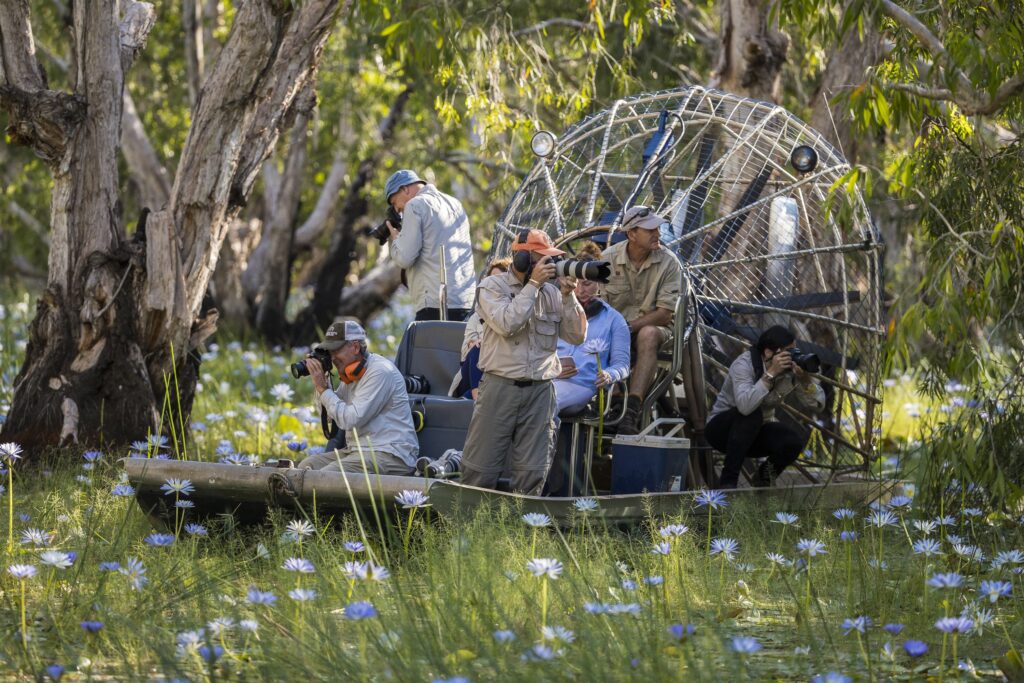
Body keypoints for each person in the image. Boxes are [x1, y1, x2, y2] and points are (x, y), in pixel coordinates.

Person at [460, 229, 587, 495]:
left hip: (541, 392)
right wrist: (532, 287)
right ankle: (470, 531)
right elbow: (507, 324)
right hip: (499, 388)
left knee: (533, 472)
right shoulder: (492, 287)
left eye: (549, 259)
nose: (548, 265)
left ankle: (521, 531)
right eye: (541, 259)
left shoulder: (552, 293)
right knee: (480, 471)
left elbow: (577, 335)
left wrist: (567, 296)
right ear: (521, 258)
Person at [705, 325, 826, 489]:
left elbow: (818, 405)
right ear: (769, 352)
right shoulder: (744, 364)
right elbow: (745, 407)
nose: (792, 356)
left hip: (755, 433)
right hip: (722, 431)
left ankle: (763, 482)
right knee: (752, 416)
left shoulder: (788, 371)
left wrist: (805, 380)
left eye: (794, 351)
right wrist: (770, 375)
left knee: (792, 441)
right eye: (788, 352)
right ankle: (728, 484)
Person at [298, 319, 419, 474]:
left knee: (327, 475)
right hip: (357, 451)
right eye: (329, 352)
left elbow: (350, 420)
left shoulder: (380, 371)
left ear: (355, 347)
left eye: (336, 350)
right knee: (307, 466)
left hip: (390, 454)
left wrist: (324, 391)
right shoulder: (350, 374)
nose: (332, 357)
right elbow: (331, 417)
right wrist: (322, 384)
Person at [599, 205, 682, 434]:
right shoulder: (607, 259)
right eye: (649, 230)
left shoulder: (669, 262)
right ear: (632, 234)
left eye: (657, 228)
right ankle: (614, 404)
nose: (657, 233)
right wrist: (618, 329)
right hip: (616, 329)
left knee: (647, 334)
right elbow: (598, 306)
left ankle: (632, 410)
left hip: (656, 329)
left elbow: (665, 313)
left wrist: (627, 327)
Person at [385, 169, 476, 321]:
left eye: (394, 202)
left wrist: (396, 241)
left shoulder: (414, 205)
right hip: (467, 304)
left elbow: (405, 258)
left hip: (436, 304)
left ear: (405, 189)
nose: (396, 210)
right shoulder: (455, 204)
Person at [553, 254, 631, 415]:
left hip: (582, 385)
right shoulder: (553, 309)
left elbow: (623, 365)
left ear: (598, 284)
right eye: (576, 284)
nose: (581, 290)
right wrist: (551, 369)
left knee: (546, 402)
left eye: (587, 284)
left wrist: (609, 375)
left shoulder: (614, 320)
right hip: (548, 379)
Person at [449, 257, 512, 399]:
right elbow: (465, 353)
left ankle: (470, 397)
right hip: (471, 374)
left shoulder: (512, 316)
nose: (494, 284)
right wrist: (479, 343)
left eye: (500, 280)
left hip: (499, 376)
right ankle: (477, 396)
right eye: (492, 279)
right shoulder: (476, 317)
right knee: (477, 349)